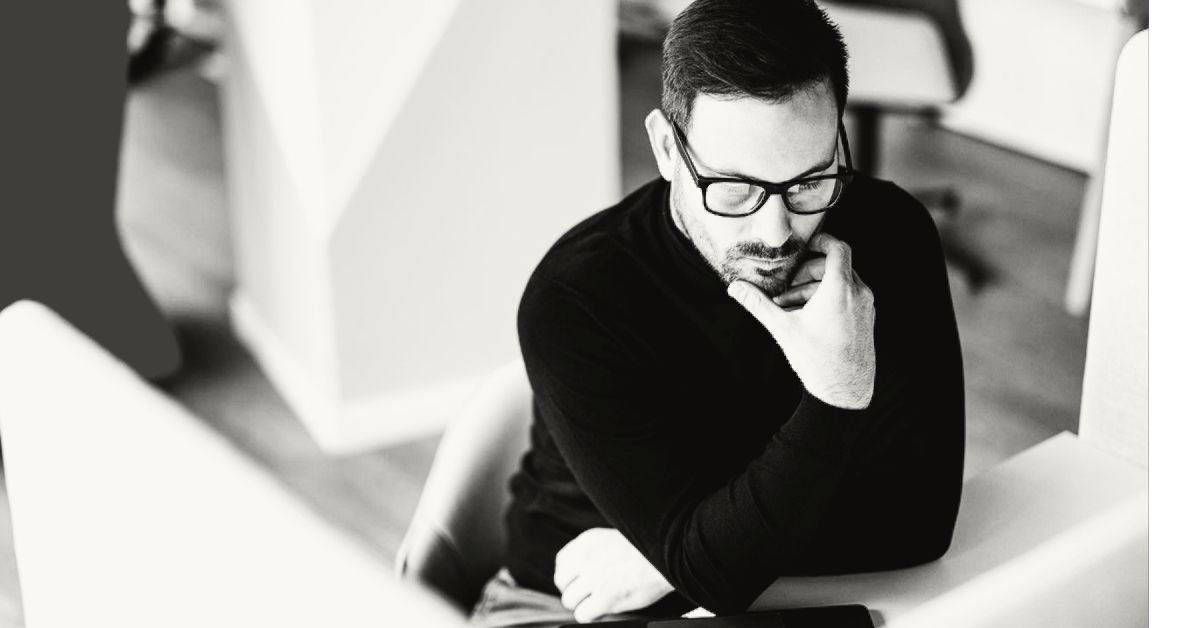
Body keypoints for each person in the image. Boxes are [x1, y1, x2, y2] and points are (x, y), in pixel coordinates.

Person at [474, 1, 965, 625]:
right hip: (571, 606)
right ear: (666, 149)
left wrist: (665, 561)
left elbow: (918, 524)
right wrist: (837, 392)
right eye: (735, 188)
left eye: (811, 181)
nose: (778, 230)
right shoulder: (579, 298)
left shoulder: (891, 235)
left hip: (746, 589)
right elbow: (715, 571)